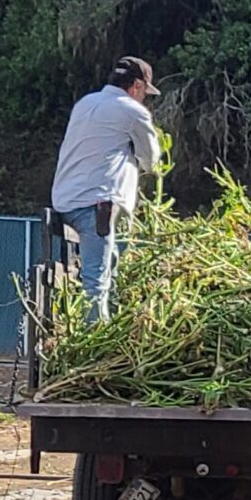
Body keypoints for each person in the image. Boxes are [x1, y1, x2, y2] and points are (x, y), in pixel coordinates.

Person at [49, 56, 161, 320]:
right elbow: (151, 158)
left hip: (65, 200)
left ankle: (82, 329)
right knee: (97, 284)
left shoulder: (85, 104)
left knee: (105, 264)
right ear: (136, 86)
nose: (144, 98)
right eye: (145, 91)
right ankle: (95, 350)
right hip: (96, 205)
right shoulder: (132, 111)